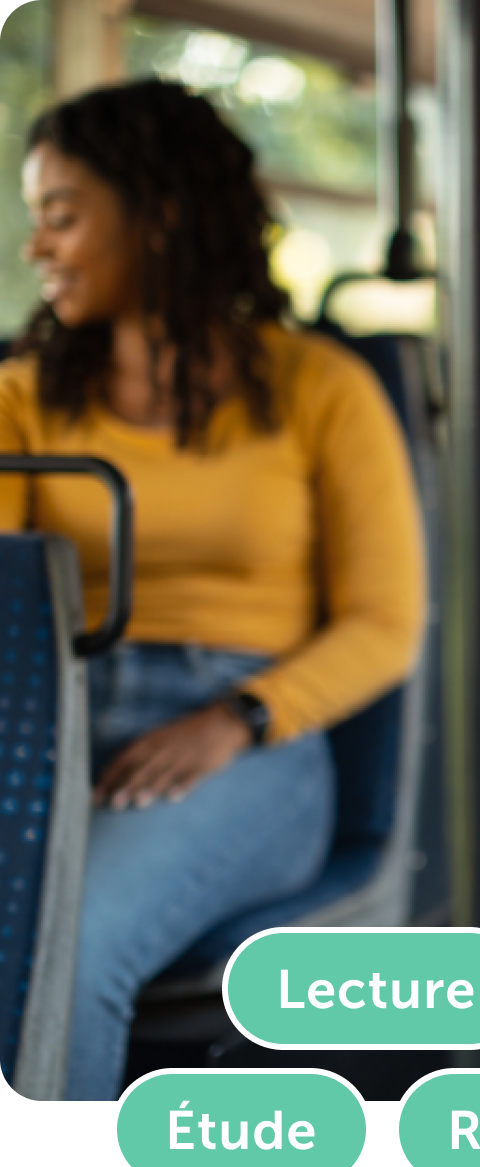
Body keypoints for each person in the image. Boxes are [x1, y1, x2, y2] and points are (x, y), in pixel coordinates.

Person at [0, 80, 426, 1099]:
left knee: (72, 943)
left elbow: (385, 623)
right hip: (50, 720)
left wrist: (237, 718)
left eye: (60, 215)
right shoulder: (20, 397)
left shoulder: (322, 391)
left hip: (252, 737)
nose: (36, 248)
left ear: (159, 216)